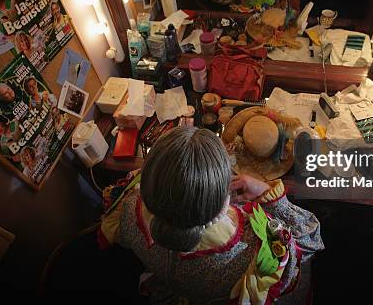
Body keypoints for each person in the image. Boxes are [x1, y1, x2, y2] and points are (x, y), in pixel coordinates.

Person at [98, 126, 324, 304]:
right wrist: (267, 192)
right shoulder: (252, 251)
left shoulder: (127, 211)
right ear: (226, 197)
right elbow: (310, 239)